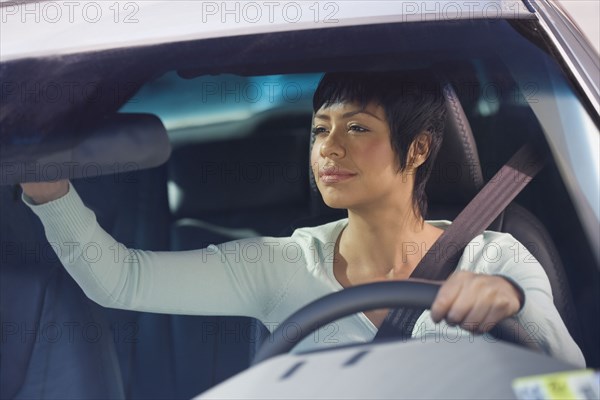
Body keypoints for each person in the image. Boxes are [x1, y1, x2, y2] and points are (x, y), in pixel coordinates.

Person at [21, 71, 585, 366]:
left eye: (357, 128)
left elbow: (568, 390)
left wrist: (515, 307)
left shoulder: (500, 259)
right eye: (320, 130)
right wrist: (48, 188)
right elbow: (121, 279)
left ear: (417, 151)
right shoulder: (281, 265)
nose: (329, 149)